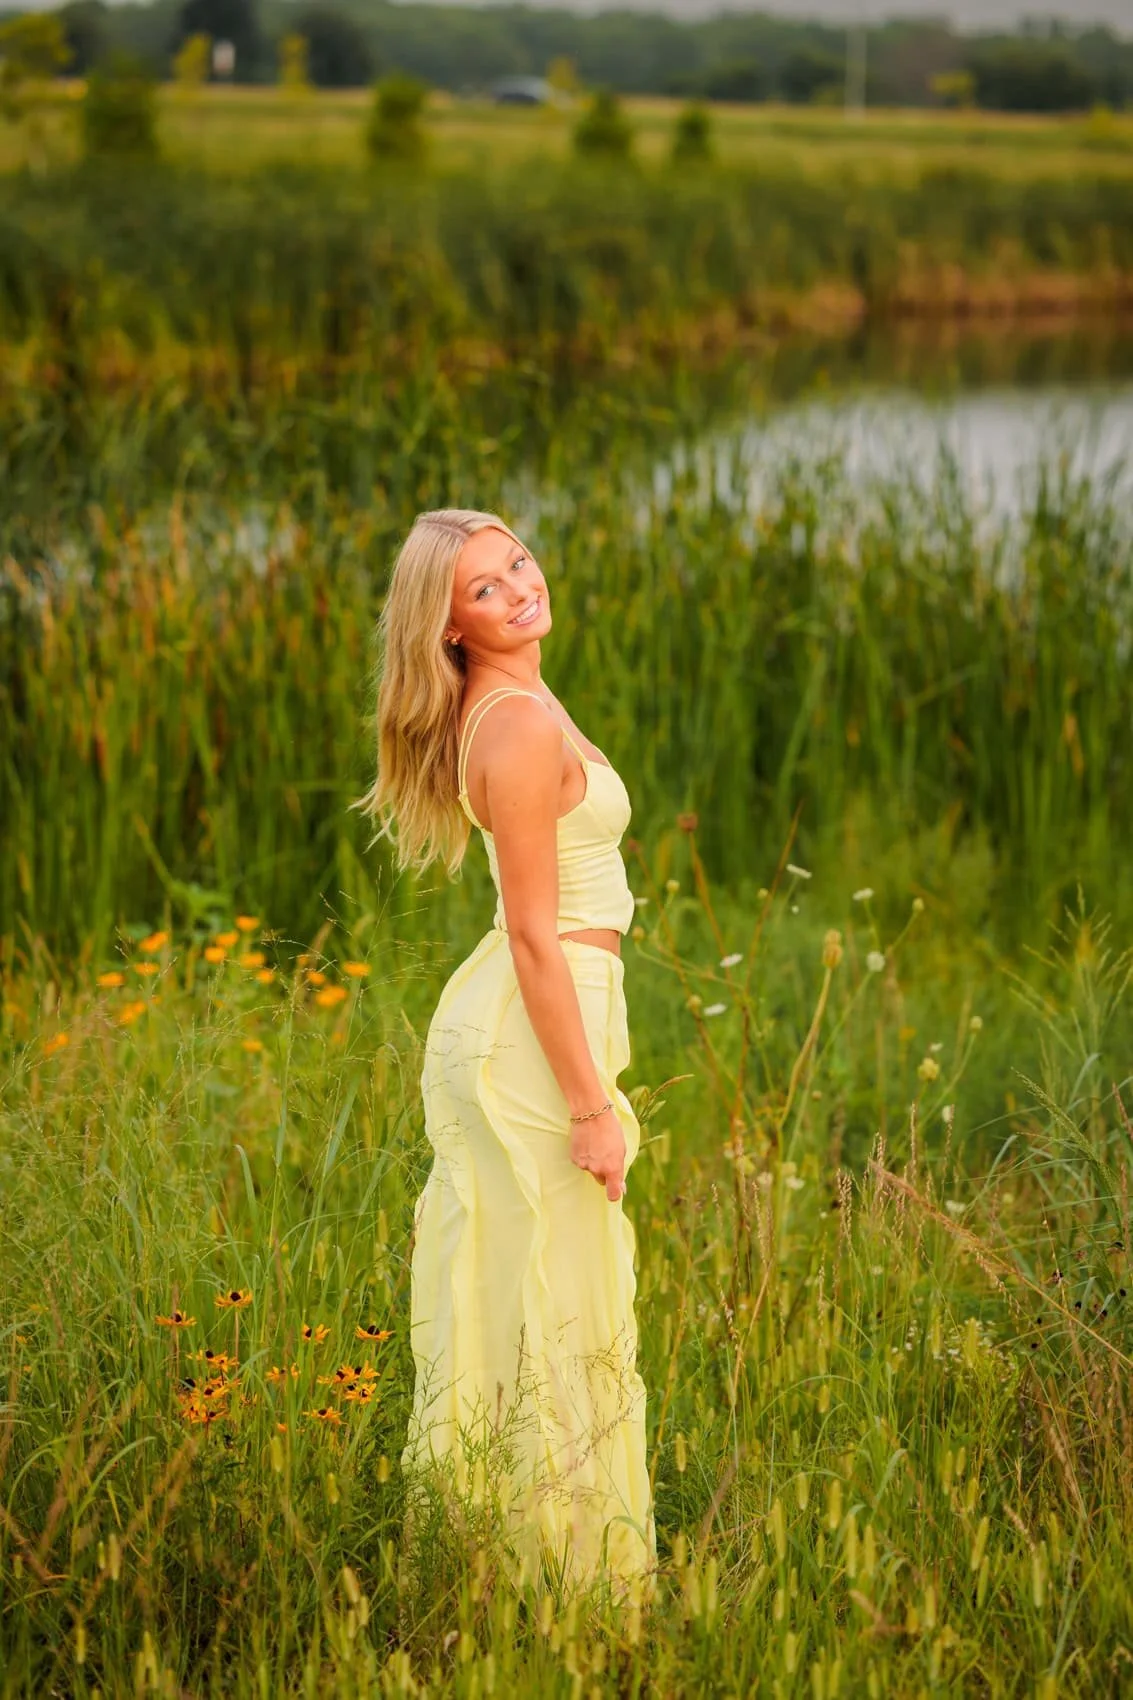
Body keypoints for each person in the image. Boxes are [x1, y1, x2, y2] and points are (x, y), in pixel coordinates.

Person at [355, 507, 657, 1605]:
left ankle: (501, 1573)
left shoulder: (522, 694)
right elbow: (533, 931)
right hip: (534, 1028)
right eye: (486, 586)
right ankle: (567, 1586)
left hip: (540, 1010)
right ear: (448, 624)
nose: (520, 586)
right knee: (555, 1299)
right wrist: (590, 1105)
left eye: (517, 561)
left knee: (529, 1298)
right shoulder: (517, 725)